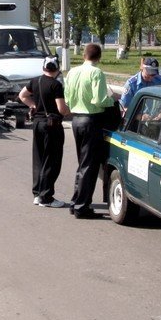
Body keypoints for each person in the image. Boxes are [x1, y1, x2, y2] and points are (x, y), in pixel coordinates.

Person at [63, 42, 115, 219]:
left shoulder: (72, 72)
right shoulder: (96, 73)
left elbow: (67, 98)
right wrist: (112, 100)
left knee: (82, 163)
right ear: (99, 57)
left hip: (76, 119)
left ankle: (76, 200)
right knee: (89, 166)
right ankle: (82, 206)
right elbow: (99, 100)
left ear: (84, 55)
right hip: (91, 120)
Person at [18, 56, 71, 209]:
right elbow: (61, 109)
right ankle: (46, 197)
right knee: (52, 160)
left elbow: (22, 96)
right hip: (52, 125)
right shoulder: (56, 85)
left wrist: (33, 105)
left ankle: (37, 194)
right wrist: (69, 110)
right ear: (57, 69)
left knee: (39, 158)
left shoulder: (35, 81)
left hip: (38, 124)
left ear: (44, 68)